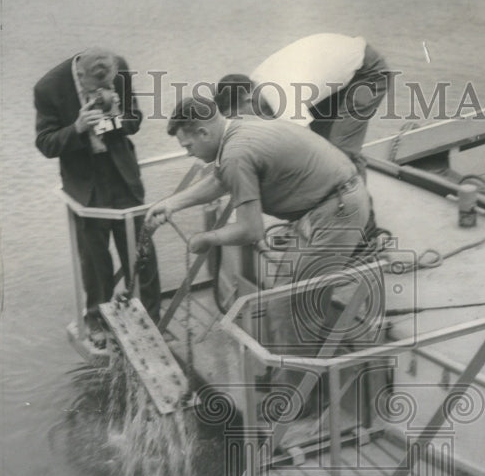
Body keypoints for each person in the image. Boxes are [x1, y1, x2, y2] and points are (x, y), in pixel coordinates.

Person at [145, 96, 372, 353]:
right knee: (290, 297)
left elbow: (251, 230)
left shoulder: (235, 154)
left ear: (203, 132)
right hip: (328, 204)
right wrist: (172, 203)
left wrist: (206, 239)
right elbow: (220, 180)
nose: (188, 153)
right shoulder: (238, 126)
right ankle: (302, 365)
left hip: (338, 212)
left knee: (288, 306)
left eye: (188, 145)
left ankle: (298, 386)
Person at [34, 47, 161, 345]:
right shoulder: (48, 88)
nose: (105, 90)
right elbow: (45, 144)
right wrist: (78, 128)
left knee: (141, 248)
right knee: (94, 257)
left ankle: (153, 317)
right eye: (98, 87)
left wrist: (110, 121)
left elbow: (134, 121)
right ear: (80, 76)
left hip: (122, 176)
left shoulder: (120, 66)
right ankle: (97, 321)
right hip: (84, 182)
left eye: (110, 84)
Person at [214, 33, 393, 178]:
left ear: (247, 101)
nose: (241, 124)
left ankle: (359, 217)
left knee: (340, 156)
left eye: (238, 117)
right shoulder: (253, 87)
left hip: (367, 71)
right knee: (321, 143)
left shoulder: (281, 95)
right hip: (335, 74)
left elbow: (308, 147)